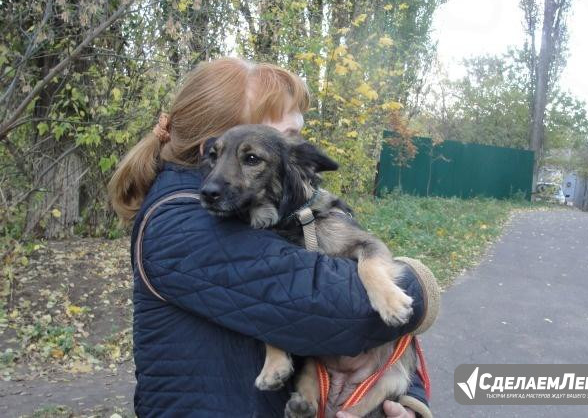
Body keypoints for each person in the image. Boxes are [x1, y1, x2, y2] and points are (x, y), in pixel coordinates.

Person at [108, 57, 437, 417]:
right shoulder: (184, 224)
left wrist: (402, 398)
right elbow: (349, 312)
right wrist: (418, 282)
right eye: (286, 137)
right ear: (217, 144)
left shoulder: (273, 209)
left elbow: (381, 328)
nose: (295, 150)